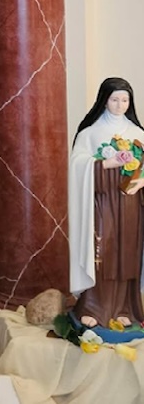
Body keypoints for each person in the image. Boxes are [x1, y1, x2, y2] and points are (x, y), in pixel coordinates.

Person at [69, 77, 144, 329]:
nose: (120, 104)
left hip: (131, 204)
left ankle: (125, 307)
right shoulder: (89, 134)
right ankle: (93, 305)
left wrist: (140, 181)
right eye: (115, 99)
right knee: (103, 252)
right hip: (102, 204)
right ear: (104, 100)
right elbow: (77, 166)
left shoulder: (137, 133)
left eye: (125, 99)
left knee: (128, 255)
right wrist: (108, 163)